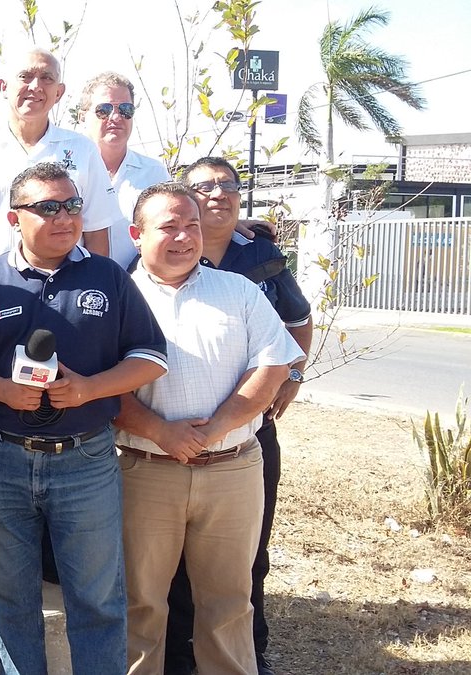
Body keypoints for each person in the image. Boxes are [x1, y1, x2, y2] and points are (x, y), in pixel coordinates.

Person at [0, 162, 167, 674]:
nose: (65, 217)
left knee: (97, 600)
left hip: (86, 461)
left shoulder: (108, 276)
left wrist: (89, 388)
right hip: (0, 460)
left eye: (72, 205)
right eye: (48, 207)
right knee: (9, 597)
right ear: (13, 218)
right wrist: (2, 390)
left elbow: (150, 358)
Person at [114, 181, 304, 675]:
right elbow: (101, 387)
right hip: (145, 471)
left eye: (192, 225)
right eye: (169, 226)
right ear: (137, 234)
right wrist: (162, 432)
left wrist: (215, 428)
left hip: (232, 470)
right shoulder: (116, 296)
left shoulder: (237, 291)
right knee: (141, 603)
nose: (184, 236)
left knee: (229, 603)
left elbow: (273, 365)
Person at [163, 157, 313, 675]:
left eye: (228, 184)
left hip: (245, 436)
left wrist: (292, 376)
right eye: (204, 187)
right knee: (172, 564)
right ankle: (179, 656)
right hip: (172, 438)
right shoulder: (163, 253)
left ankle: (251, 650)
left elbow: (298, 320)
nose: (218, 194)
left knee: (248, 553)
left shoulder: (259, 254)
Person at [0, 48, 127, 283]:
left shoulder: (83, 150)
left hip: (63, 295)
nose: (36, 86)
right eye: (25, 76)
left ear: (59, 92)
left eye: (46, 78)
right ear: (3, 87)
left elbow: (96, 233)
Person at [78, 71, 171, 270]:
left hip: (139, 284)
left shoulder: (155, 174)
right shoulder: (68, 173)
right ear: (82, 117)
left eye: (125, 109)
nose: (116, 117)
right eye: (104, 110)